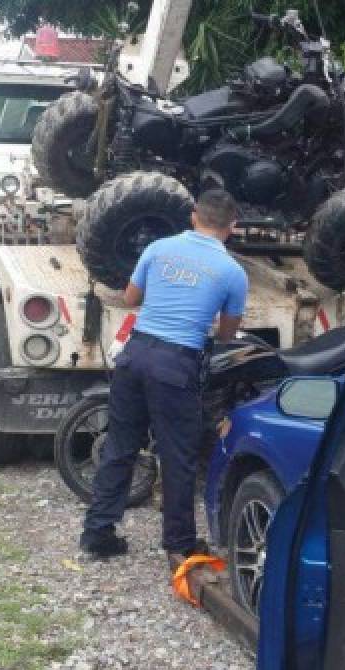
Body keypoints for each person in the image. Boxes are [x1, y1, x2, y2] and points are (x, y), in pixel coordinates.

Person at [80, 189, 249, 561]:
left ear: (193, 216)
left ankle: (98, 532)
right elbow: (226, 333)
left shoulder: (157, 249)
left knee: (120, 446)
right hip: (176, 366)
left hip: (135, 355)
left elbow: (130, 299)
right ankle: (179, 544)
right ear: (232, 227)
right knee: (178, 457)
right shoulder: (233, 272)